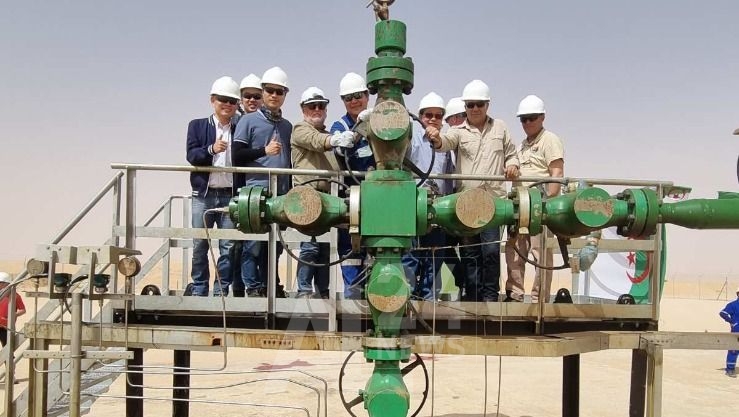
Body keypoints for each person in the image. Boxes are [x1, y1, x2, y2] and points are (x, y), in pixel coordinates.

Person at [425, 79, 520, 302]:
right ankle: (473, 297)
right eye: (470, 105)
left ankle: (490, 299)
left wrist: (513, 165)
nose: (475, 108)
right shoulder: (458, 131)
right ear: (465, 106)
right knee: (470, 253)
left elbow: (511, 154)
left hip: (493, 202)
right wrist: (436, 138)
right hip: (467, 204)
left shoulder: (500, 127)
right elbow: (445, 142)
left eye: (479, 104)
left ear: (487, 105)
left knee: (490, 252)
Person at [233, 66, 292, 297]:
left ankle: (270, 285)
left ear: (285, 94)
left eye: (279, 91)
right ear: (263, 92)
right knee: (253, 244)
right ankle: (253, 287)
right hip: (256, 192)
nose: (274, 95)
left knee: (275, 245)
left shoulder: (286, 126)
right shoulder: (248, 121)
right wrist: (263, 151)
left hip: (281, 193)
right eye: (270, 91)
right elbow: (237, 155)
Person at [291, 87, 355, 299]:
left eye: (321, 106)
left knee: (325, 248)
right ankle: (304, 291)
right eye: (312, 106)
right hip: (307, 198)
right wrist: (334, 141)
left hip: (327, 199)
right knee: (310, 247)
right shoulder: (300, 129)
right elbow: (315, 141)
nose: (317, 109)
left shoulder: (327, 135)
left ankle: (322, 291)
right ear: (303, 109)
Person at [504, 95, 564, 303]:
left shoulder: (550, 140)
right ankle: (515, 294)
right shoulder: (522, 146)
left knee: (541, 253)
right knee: (514, 250)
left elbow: (556, 173)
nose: (527, 122)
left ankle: (540, 300)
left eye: (532, 118)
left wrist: (548, 204)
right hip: (520, 206)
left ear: (542, 117)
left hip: (540, 207)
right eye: (524, 119)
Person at [185, 76, 241, 296]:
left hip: (230, 196)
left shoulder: (240, 128)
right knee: (200, 244)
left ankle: (220, 291)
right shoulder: (198, 126)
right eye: (222, 99)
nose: (227, 104)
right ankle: (199, 289)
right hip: (203, 196)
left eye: (232, 101)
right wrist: (211, 149)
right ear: (212, 100)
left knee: (228, 247)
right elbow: (192, 155)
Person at [330, 72, 375, 299]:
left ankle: (374, 294)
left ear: (367, 96)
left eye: (358, 96)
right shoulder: (339, 125)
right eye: (348, 98)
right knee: (350, 249)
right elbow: (338, 148)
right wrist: (355, 132)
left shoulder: (379, 121)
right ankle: (353, 297)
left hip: (377, 197)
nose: (354, 101)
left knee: (376, 247)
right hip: (351, 198)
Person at [402, 92, 449, 300]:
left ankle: (429, 301)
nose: (433, 119)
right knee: (410, 257)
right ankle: (408, 297)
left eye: (438, 116)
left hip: (438, 208)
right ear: (420, 116)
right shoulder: (412, 140)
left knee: (434, 257)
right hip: (413, 206)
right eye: (428, 115)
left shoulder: (446, 146)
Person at [228, 73, 264, 297]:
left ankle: (254, 286)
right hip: (234, 188)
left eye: (256, 96)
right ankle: (239, 288)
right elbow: (237, 155)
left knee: (255, 244)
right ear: (241, 98)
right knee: (236, 244)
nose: (252, 100)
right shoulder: (233, 122)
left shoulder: (266, 122)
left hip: (253, 190)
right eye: (247, 96)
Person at [440, 97, 467, 298]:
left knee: (469, 249)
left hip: (465, 203)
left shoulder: (470, 142)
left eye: (461, 116)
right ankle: (461, 282)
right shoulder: (445, 145)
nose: (457, 122)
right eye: (453, 118)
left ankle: (467, 288)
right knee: (445, 249)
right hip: (448, 205)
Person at [0, 272, 26, 347]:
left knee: (7, 348)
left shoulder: (15, 296)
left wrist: (13, 314)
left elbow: (23, 310)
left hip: (7, 327)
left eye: (0, 283)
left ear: (7, 284)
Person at [719, 287, 739, 377]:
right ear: (738, 294)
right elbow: (723, 313)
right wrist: (732, 322)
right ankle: (730, 370)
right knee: (733, 350)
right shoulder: (733, 305)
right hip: (736, 332)